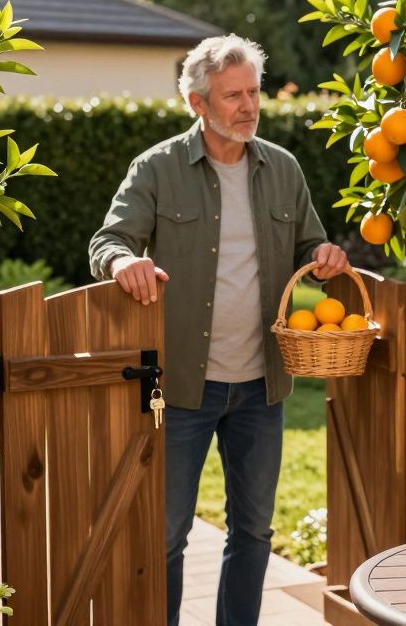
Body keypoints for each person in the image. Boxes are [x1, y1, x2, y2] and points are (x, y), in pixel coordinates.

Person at [89, 34, 348, 625]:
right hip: (182, 386)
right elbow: (108, 240)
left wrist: (326, 256)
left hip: (263, 385)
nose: (248, 107)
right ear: (197, 103)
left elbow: (310, 245)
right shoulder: (156, 168)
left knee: (254, 530)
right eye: (233, 96)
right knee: (166, 535)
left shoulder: (282, 169)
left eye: (253, 92)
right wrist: (121, 261)